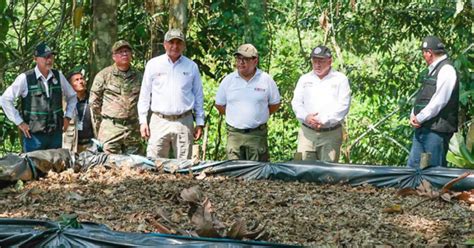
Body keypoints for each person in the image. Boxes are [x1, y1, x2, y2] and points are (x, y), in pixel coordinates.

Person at [138, 29, 204, 159]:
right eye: (171, 42)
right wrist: (143, 121)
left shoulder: (191, 67)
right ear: (164, 44)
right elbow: (145, 94)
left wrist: (200, 122)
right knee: (155, 164)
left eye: (178, 43)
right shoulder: (153, 64)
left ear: (183, 46)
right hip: (159, 121)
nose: (175, 46)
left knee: (184, 166)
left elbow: (198, 96)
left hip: (184, 121)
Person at [1, 42, 77, 152]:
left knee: (55, 168)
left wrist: (68, 117)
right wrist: (20, 123)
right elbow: (5, 99)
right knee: (33, 168)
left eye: (51, 56)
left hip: (55, 135)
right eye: (45, 57)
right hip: (34, 137)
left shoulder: (58, 76)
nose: (49, 60)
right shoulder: (25, 78)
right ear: (35, 59)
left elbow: (72, 96)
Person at [215, 44, 281, 161]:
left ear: (255, 61)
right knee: (234, 173)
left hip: (257, 135)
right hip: (234, 135)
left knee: (258, 174)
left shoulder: (266, 80)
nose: (241, 62)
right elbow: (219, 104)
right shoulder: (228, 80)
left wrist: (258, 116)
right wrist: (236, 116)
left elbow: (274, 104)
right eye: (238, 59)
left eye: (245, 59)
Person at [291, 45, 351, 162]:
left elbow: (344, 106)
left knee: (328, 173)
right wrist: (306, 117)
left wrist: (324, 120)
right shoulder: (304, 79)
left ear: (330, 61)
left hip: (330, 133)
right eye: (315, 61)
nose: (317, 65)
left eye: (321, 61)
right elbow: (296, 103)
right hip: (307, 133)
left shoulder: (340, 79)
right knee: (304, 170)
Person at [407, 36, 459, 168]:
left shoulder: (446, 70)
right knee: (414, 167)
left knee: (433, 169)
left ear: (429, 53)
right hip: (424, 127)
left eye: (424, 53)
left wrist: (420, 117)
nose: (423, 56)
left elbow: (439, 100)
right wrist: (413, 114)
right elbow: (424, 96)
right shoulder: (433, 71)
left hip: (436, 130)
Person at [89, 40, 143, 155]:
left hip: (132, 128)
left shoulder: (139, 76)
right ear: (114, 56)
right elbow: (94, 103)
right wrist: (100, 126)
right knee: (108, 165)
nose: (124, 54)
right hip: (110, 127)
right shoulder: (104, 75)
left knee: (136, 165)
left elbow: (145, 101)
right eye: (120, 52)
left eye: (127, 51)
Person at [62, 68, 95, 153]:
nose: (80, 82)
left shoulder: (93, 99)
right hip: (71, 146)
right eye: (76, 80)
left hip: (90, 146)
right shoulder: (64, 102)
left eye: (82, 79)